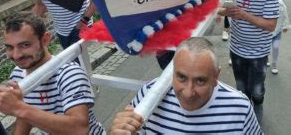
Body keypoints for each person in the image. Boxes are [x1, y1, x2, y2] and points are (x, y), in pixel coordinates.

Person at [109, 37, 262, 134]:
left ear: (216, 76)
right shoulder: (148, 93)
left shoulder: (240, 108)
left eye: (200, 81)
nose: (188, 93)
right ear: (171, 72)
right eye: (181, 77)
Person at [0, 12, 104, 135]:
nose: (16, 55)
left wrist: (18, 107)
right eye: (9, 47)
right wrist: (20, 109)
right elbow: (24, 116)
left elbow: (79, 129)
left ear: (45, 40)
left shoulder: (69, 73)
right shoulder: (17, 74)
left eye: (25, 45)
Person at [218, 0, 279, 122]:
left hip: (259, 53)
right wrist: (227, 12)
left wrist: (244, 14)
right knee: (241, 87)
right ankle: (245, 115)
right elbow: (219, 9)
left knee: (257, 91)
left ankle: (258, 108)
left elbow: (270, 25)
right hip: (236, 49)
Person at [270, 0, 290, 74]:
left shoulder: (280, 4)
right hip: (266, 31)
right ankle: (266, 59)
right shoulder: (263, 2)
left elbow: (285, 15)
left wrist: (285, 26)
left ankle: (274, 64)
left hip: (277, 31)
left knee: (276, 47)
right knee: (265, 48)